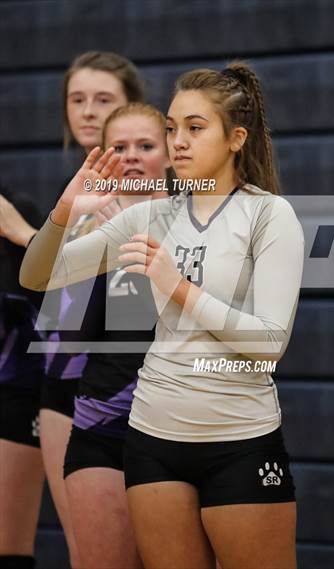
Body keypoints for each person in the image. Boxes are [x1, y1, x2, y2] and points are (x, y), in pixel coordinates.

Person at [20, 61, 305, 569]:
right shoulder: (149, 214)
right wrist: (65, 210)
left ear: (236, 137)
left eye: (195, 129)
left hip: (238, 436)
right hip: (153, 438)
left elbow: (269, 343)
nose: (179, 141)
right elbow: (38, 277)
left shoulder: (269, 215)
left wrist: (178, 287)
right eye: (172, 128)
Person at [0, 51, 143, 569]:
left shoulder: (152, 194)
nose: (88, 112)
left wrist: (22, 232)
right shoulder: (76, 196)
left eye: (103, 100)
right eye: (76, 100)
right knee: (88, 554)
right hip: (63, 385)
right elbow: (53, 299)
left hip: (132, 395)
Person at [62, 102, 170, 569]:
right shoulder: (88, 220)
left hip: (180, 423)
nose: (130, 157)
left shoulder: (202, 218)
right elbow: (66, 327)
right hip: (101, 419)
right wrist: (82, 222)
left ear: (171, 152)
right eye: (119, 148)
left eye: (144, 146)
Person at [0, 189, 44, 569]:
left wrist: (24, 234)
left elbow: (56, 310)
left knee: (9, 552)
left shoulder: (17, 210)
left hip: (15, 388)